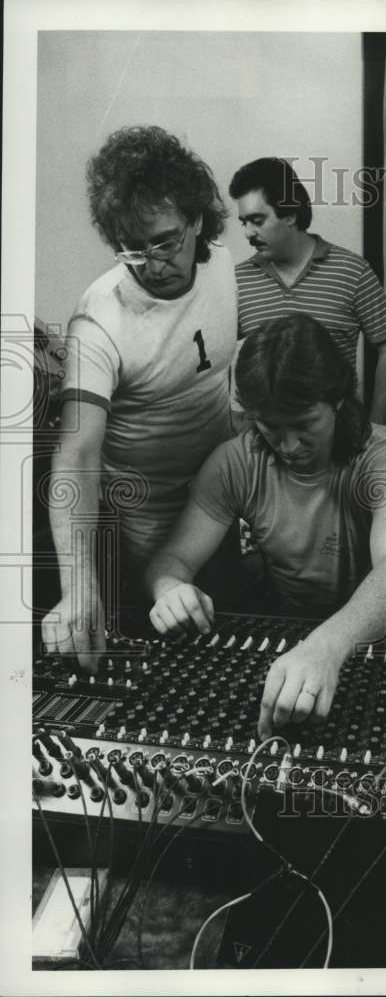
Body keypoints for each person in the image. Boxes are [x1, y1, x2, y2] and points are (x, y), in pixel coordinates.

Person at [146, 314, 386, 737]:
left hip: (377, 641)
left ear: (338, 400)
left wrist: (327, 647)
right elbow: (173, 559)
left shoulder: (385, 456)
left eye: (305, 424)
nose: (289, 445)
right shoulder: (235, 462)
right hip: (291, 633)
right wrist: (169, 588)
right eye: (271, 426)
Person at [41, 125, 238, 666]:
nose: (152, 263)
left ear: (197, 221)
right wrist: (78, 587)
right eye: (133, 248)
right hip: (140, 531)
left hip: (216, 513)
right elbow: (77, 453)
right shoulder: (97, 320)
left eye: (166, 241)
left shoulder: (222, 264)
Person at [228, 157, 386, 424]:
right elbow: (224, 358)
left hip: (338, 437)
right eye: (244, 222)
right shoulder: (237, 280)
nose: (248, 233)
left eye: (257, 220)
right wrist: (236, 421)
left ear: (290, 214)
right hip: (265, 439)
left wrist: (376, 427)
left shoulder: (352, 270)